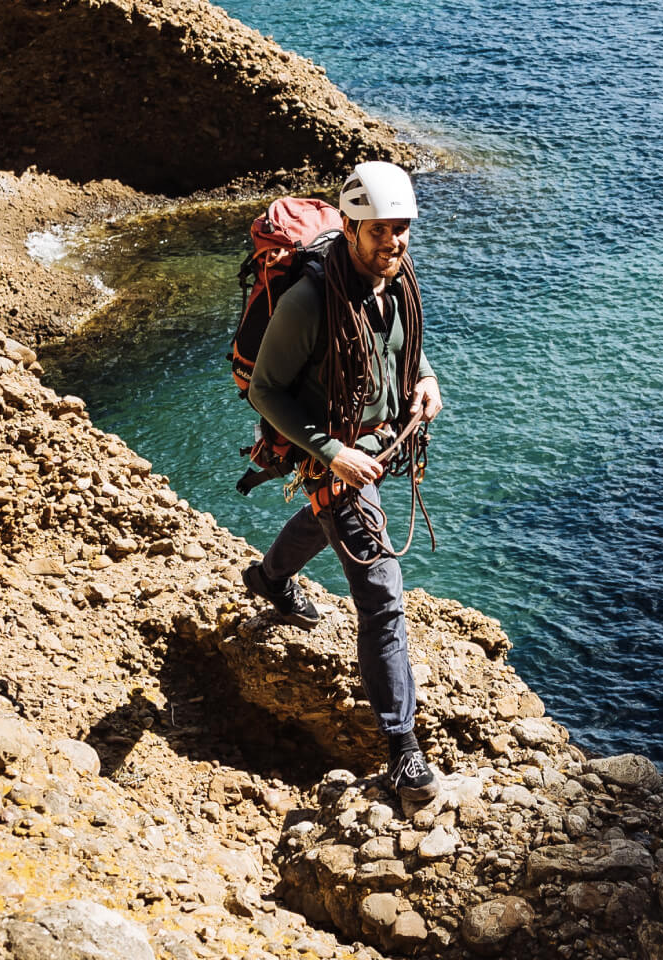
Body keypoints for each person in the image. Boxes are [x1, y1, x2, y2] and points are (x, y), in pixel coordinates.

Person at [241, 161, 444, 802]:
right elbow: (266, 390)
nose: (395, 241)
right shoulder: (308, 301)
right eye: (382, 230)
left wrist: (427, 379)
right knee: (382, 596)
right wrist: (331, 452)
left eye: (403, 229)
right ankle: (402, 748)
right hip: (335, 453)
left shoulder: (395, 279)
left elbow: (401, 345)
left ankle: (267, 578)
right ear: (352, 227)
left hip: (380, 441)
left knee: (330, 524)